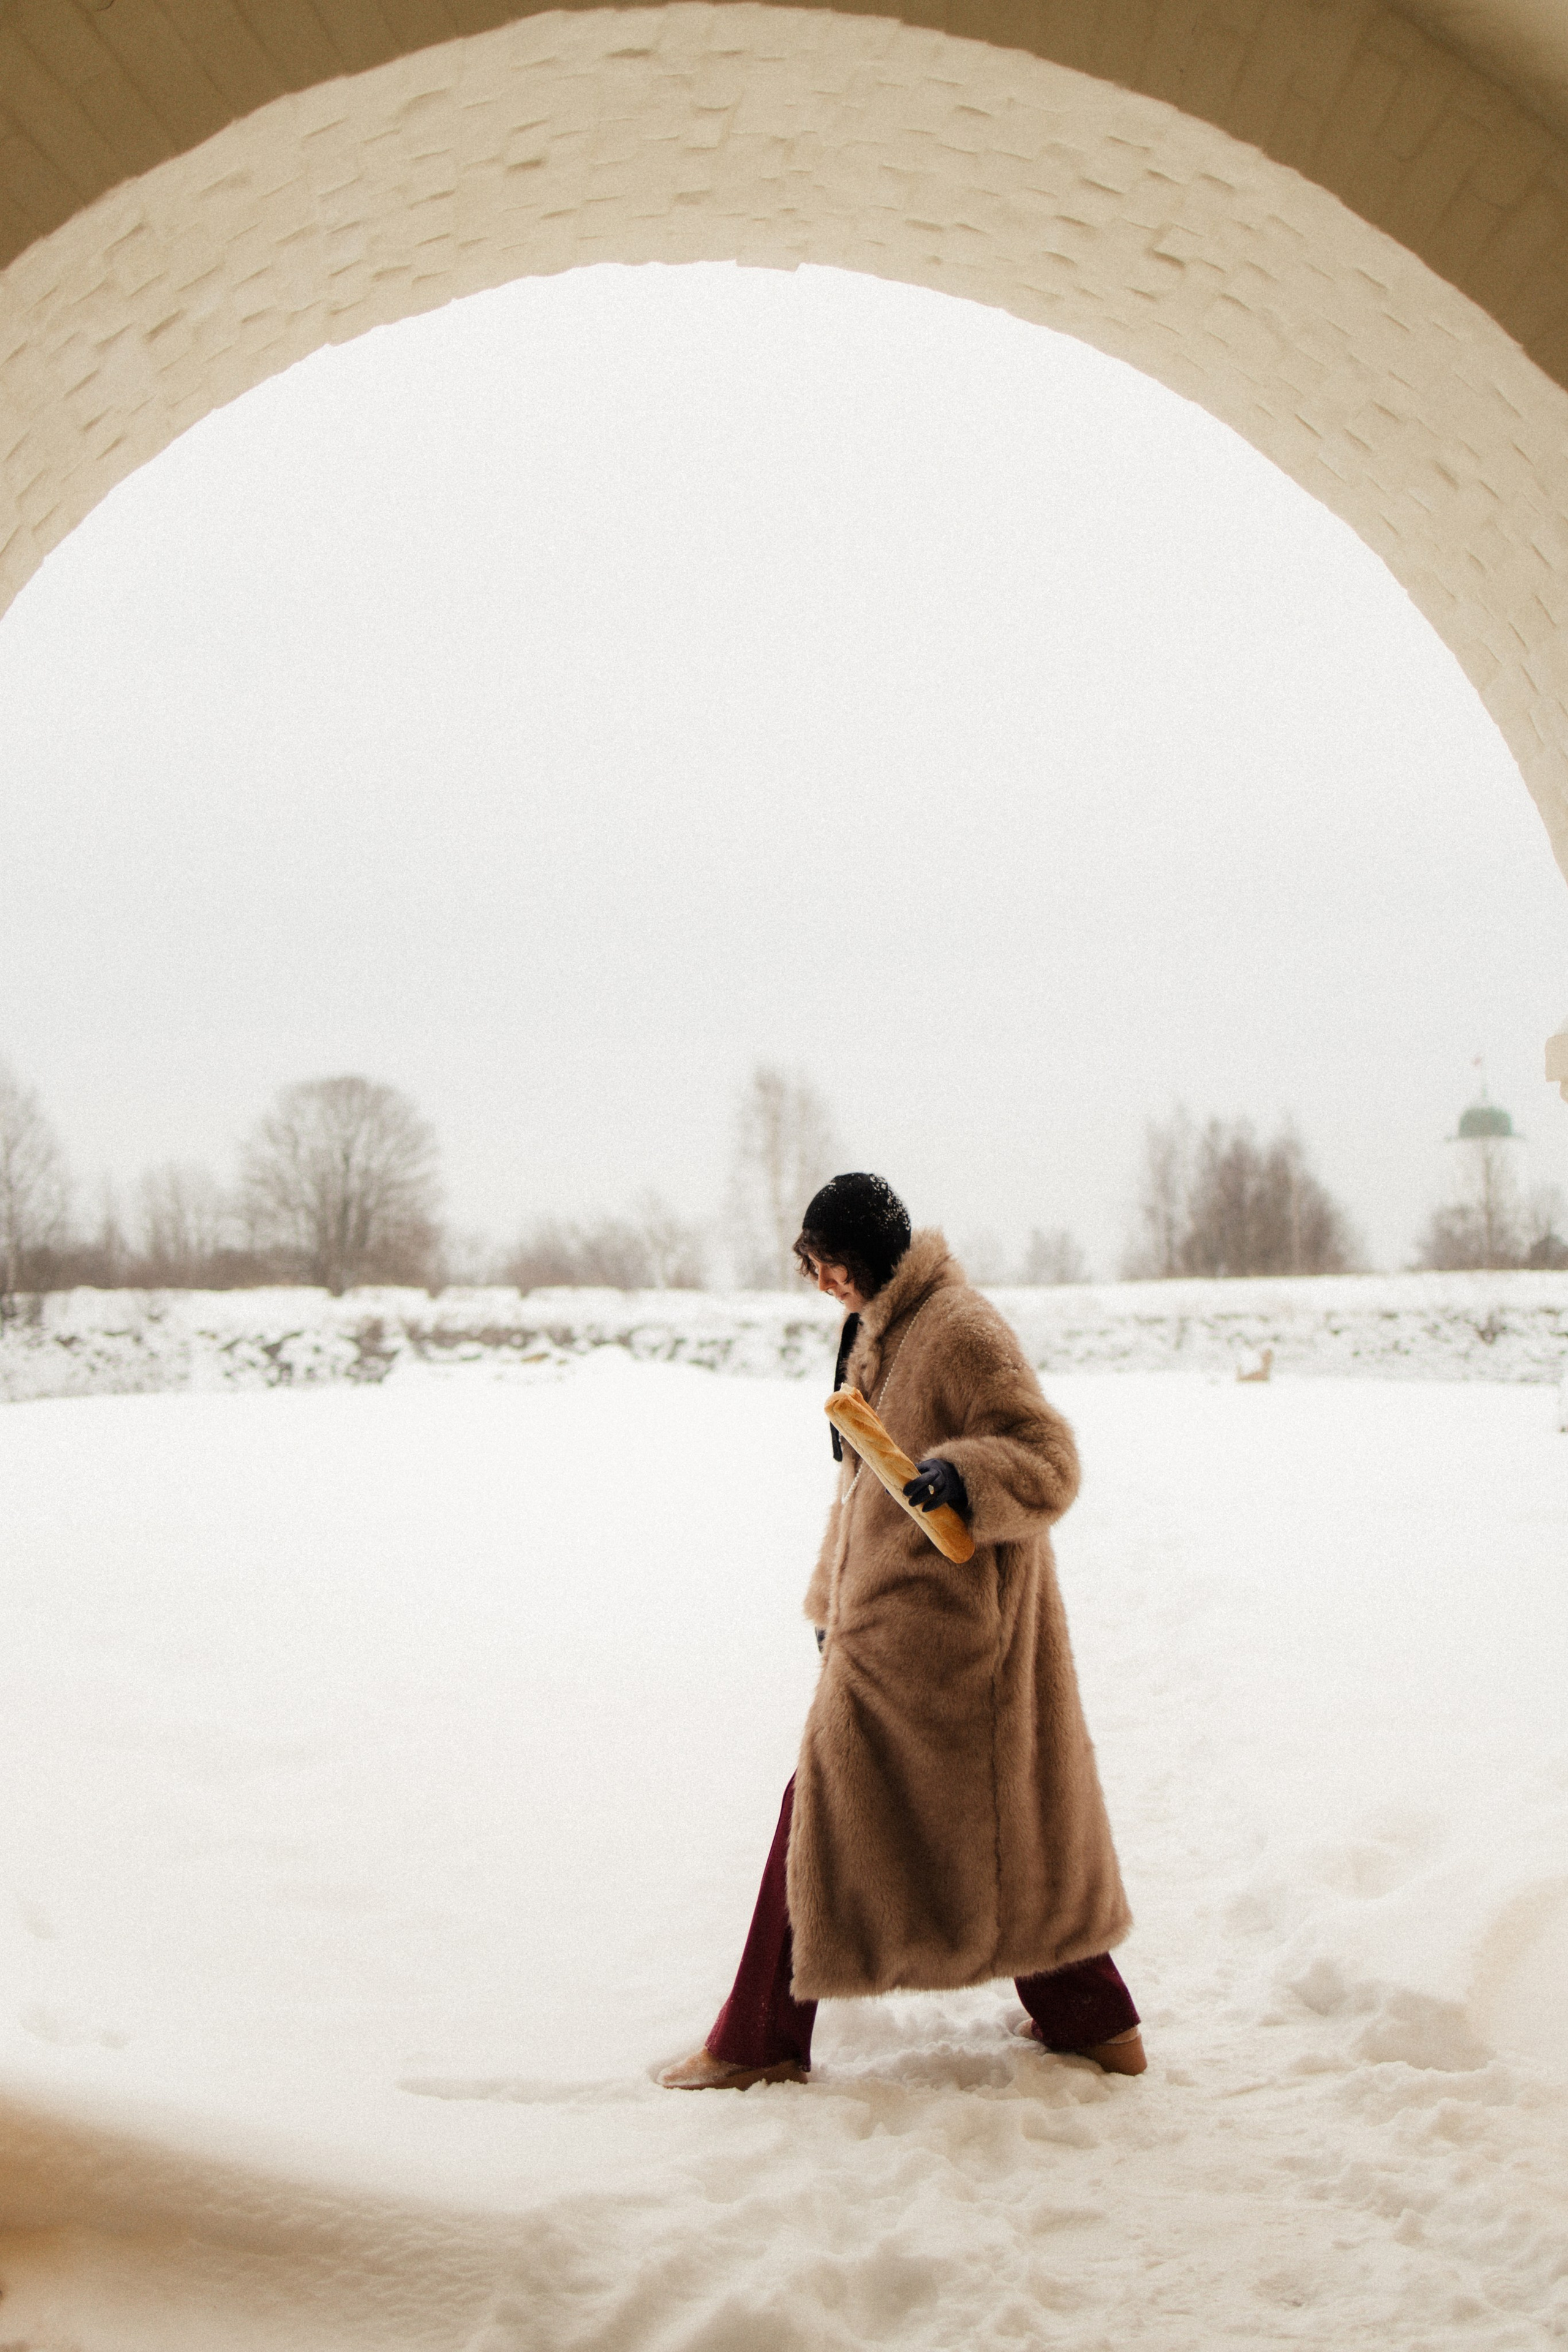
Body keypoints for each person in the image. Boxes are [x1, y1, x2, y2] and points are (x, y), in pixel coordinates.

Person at [660, 1173, 1144, 2090]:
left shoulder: (960, 1329)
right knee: (988, 1831)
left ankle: (755, 2039)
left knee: (904, 1819)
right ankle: (1097, 2022)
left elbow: (1049, 1460)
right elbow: (857, 1495)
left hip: (955, 1645)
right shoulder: (875, 1333)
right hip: (882, 1637)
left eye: (823, 1260)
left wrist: (963, 1477)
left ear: (864, 1252)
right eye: (807, 1265)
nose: (817, 1280)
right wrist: (826, 1609)